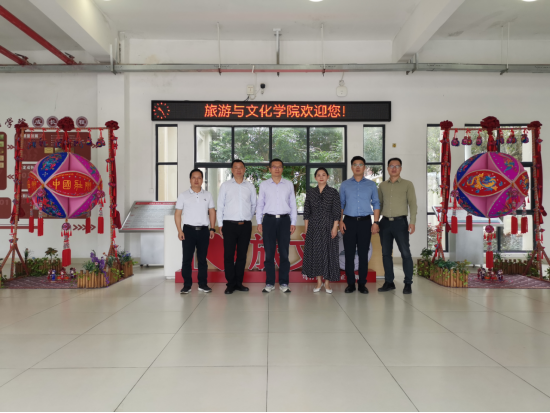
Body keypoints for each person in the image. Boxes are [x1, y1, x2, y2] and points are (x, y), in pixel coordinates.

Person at [339, 156, 381, 294]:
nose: (358, 167)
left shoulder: (371, 185)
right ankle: (350, 283)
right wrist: (340, 221)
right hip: (348, 222)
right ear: (351, 167)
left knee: (363, 254)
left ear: (364, 167)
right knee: (349, 254)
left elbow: (376, 203)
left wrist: (376, 222)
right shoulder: (345, 185)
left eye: (360, 164)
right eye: (355, 164)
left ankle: (362, 283)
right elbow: (341, 204)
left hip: (365, 222)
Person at [256, 159, 297, 293]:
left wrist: (293, 222)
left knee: (284, 253)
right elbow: (260, 204)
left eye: (279, 167)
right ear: (270, 169)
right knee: (269, 253)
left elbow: (293, 204)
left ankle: (284, 283)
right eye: (274, 167)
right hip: (269, 220)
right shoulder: (264, 185)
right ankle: (270, 283)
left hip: (285, 220)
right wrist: (259, 222)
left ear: (282, 169)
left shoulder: (289, 184)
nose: (277, 169)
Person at [377, 158, 418, 295]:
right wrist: (376, 222)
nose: (394, 169)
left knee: (405, 253)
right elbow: (379, 205)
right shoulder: (382, 185)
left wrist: (412, 222)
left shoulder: (407, 184)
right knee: (386, 254)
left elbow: (413, 204)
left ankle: (408, 283)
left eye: (397, 166)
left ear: (401, 168)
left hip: (401, 223)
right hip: (385, 223)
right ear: (387, 168)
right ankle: (389, 282)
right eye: (391, 166)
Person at [217, 160, 257, 295]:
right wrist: (220, 224)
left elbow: (253, 205)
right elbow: (220, 206)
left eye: (241, 167)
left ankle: (239, 283)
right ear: (232, 170)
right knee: (228, 255)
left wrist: (247, 217)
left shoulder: (250, 186)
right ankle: (230, 284)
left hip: (245, 225)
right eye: (236, 167)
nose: (238, 170)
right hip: (229, 225)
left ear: (244, 169)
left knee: (242, 255)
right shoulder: (225, 186)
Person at [174, 169, 216, 294]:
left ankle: (202, 284)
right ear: (190, 179)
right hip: (188, 231)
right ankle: (187, 285)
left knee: (202, 259)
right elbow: (177, 214)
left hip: (203, 231)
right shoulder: (183, 195)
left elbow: (212, 211)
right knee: (187, 259)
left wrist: (212, 228)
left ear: (202, 180)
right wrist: (179, 230)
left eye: (199, 178)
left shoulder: (208, 195)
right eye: (194, 177)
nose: (196, 180)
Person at [302, 168, 341, 294]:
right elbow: (307, 212)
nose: (321, 177)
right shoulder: (310, 192)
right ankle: (319, 281)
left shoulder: (333, 192)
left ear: (328, 177)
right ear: (315, 178)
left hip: (329, 225)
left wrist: (335, 227)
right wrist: (307, 228)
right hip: (313, 227)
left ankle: (327, 283)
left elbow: (336, 211)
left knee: (329, 253)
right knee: (316, 254)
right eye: (318, 175)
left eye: (324, 175)